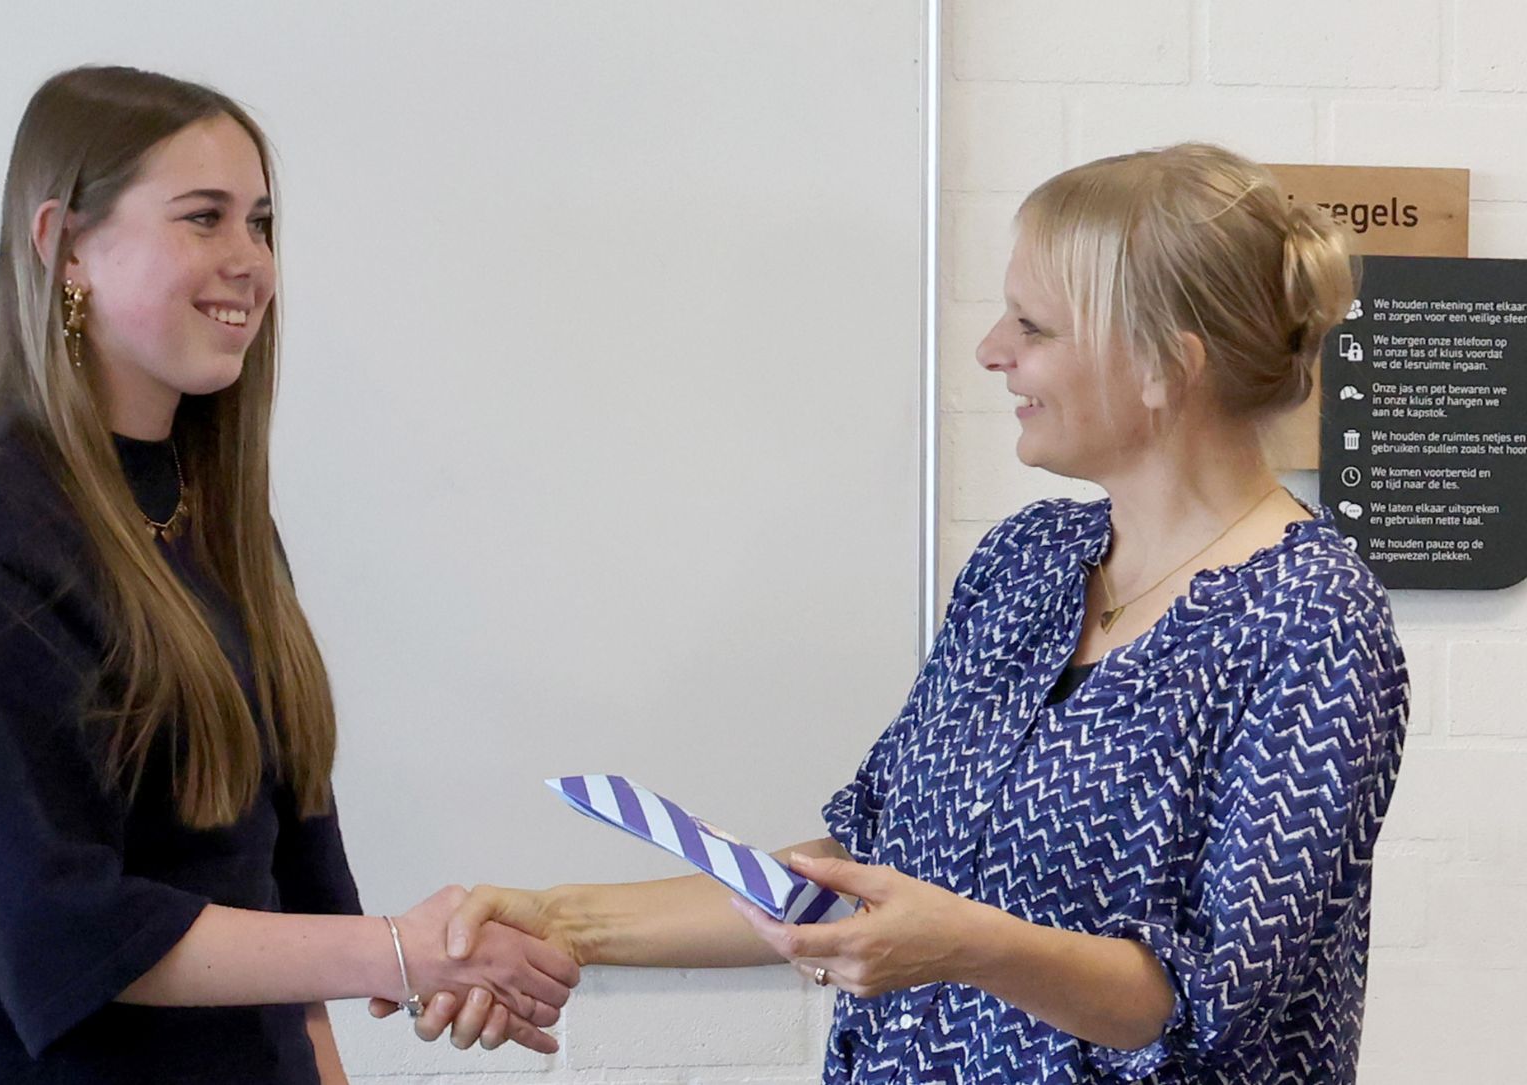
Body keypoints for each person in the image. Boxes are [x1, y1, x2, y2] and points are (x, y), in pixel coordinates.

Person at [405, 143, 1410, 1083]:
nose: (989, 349)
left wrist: (963, 940)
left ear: (1166, 363)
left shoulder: (1312, 623)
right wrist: (560, 919)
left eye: (1034, 326)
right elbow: (873, 870)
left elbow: (1216, 1005)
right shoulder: (1031, 561)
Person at [0, 65, 577, 1085]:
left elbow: (282, 871)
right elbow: (64, 928)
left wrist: (370, 999)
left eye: (261, 223)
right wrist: (406, 950)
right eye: (204, 219)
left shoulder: (218, 514)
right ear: (64, 245)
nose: (251, 262)